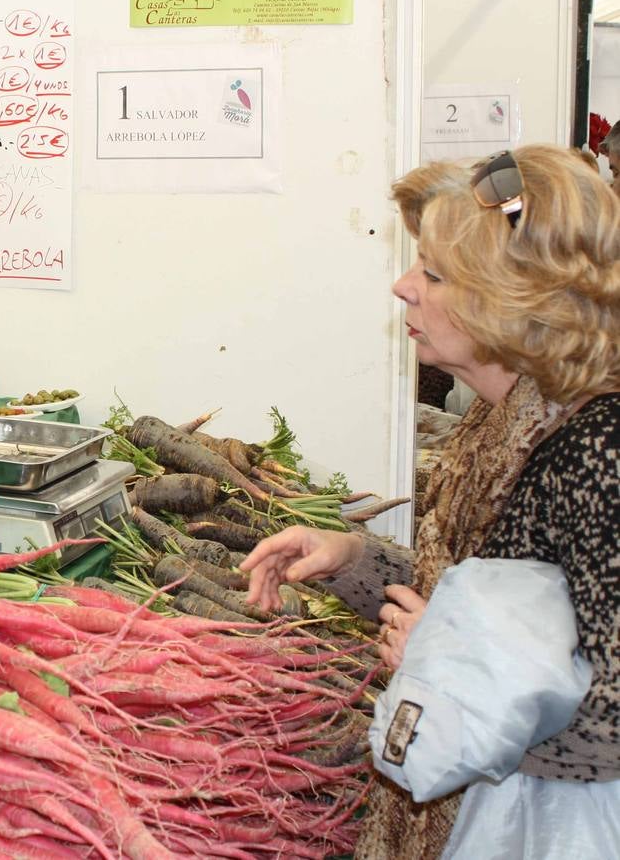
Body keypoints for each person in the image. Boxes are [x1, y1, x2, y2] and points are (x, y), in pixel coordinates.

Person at [242, 144, 620, 858]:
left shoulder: (597, 451)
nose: (403, 287)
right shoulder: (495, 412)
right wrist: (352, 561)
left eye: (436, 274)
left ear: (513, 298)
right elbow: (480, 601)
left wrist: (452, 674)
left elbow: (610, 714)